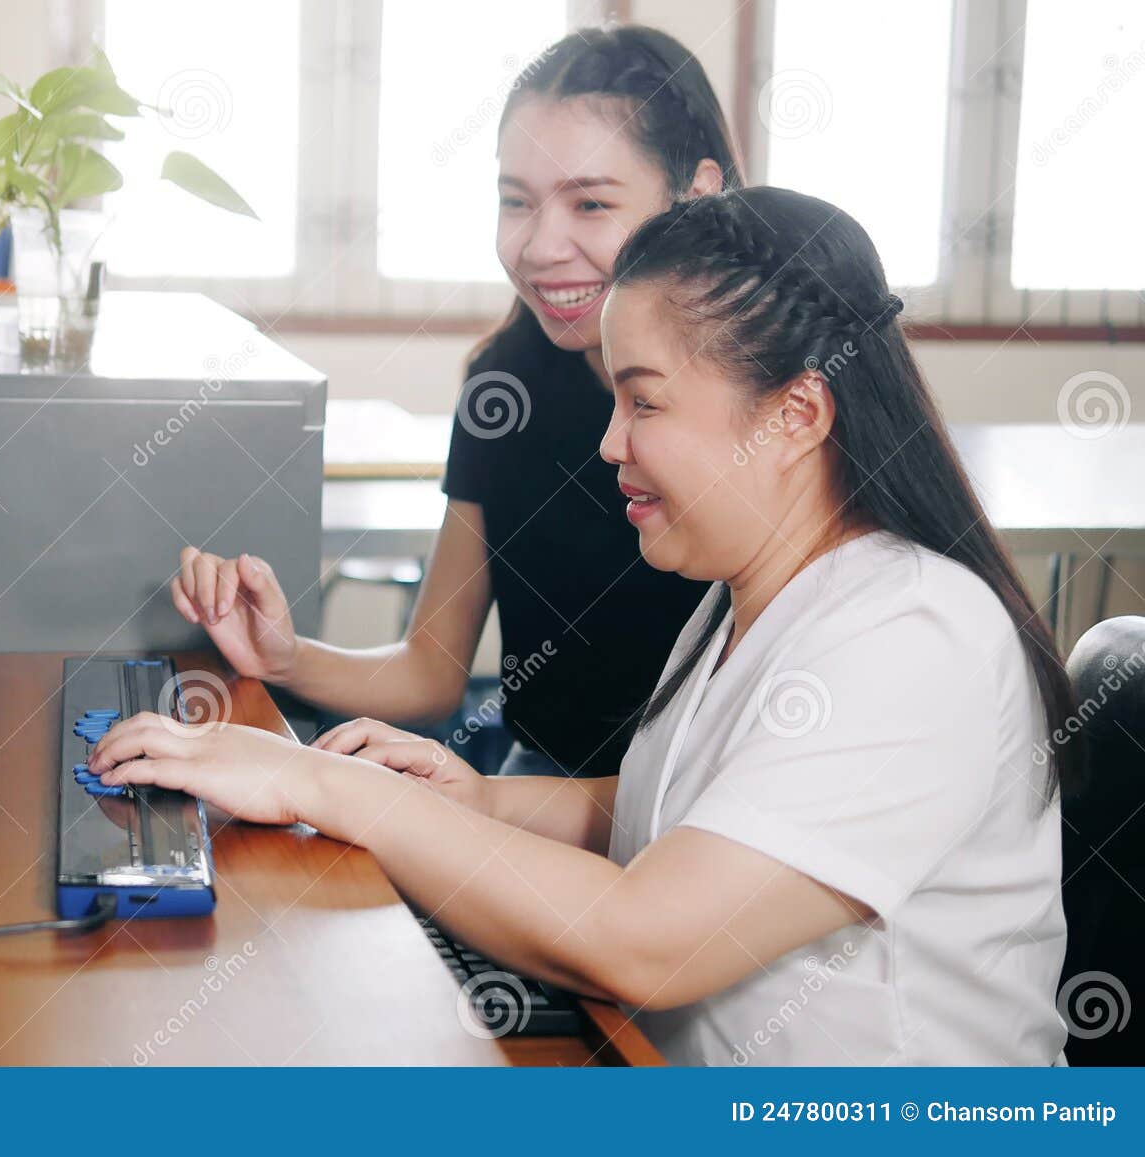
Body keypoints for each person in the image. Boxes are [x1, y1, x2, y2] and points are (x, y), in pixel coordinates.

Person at [92, 187, 1077, 1065]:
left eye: (642, 400)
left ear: (795, 413)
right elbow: (691, 809)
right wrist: (475, 799)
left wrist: (324, 781)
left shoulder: (910, 635)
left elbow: (648, 940)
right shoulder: (753, 590)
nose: (610, 441)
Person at [170, 26, 740, 776]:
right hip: (542, 781)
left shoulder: (761, 394)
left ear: (696, 194)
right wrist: (282, 654)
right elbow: (433, 669)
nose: (540, 246)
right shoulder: (505, 384)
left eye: (592, 203)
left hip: (712, 812)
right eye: (517, 201)